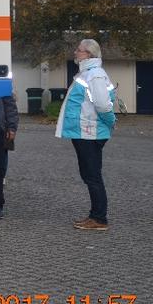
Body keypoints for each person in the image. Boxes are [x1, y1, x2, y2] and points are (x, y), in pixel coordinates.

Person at [56, 38, 116, 231]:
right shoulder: (87, 73)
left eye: (79, 50)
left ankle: (99, 218)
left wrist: (110, 123)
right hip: (85, 132)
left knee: (92, 176)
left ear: (89, 54)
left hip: (89, 133)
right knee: (89, 175)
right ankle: (95, 215)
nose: (76, 52)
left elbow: (103, 105)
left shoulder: (95, 75)